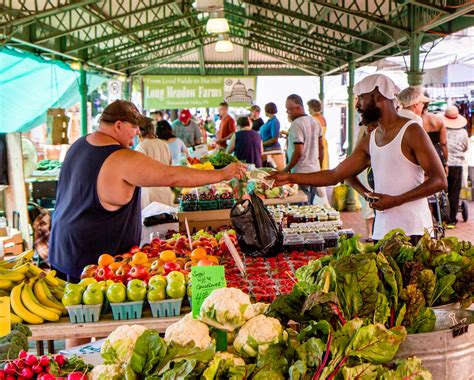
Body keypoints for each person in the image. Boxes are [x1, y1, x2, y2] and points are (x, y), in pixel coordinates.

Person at [49, 99, 246, 284]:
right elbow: (171, 176)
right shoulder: (121, 157)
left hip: (61, 250)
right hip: (94, 264)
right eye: (133, 127)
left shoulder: (78, 145)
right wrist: (222, 174)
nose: (136, 133)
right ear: (118, 125)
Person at [269, 74, 447, 243]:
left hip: (413, 230)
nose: (357, 105)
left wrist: (396, 200)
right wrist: (289, 177)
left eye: (361, 98)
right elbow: (337, 174)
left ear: (378, 97)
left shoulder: (411, 131)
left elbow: (439, 180)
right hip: (382, 232)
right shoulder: (371, 139)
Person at [283, 94, 325, 205]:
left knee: (300, 210)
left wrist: (286, 169)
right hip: (314, 171)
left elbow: (299, 151)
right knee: (309, 207)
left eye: (289, 110)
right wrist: (319, 167)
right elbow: (321, 148)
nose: (288, 113)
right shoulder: (315, 122)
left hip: (301, 173)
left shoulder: (296, 124)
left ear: (299, 107)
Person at [135, 117, 174, 207]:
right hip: (165, 190)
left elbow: (139, 173)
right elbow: (170, 166)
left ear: (140, 131)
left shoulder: (141, 147)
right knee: (167, 219)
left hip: (149, 193)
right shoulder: (164, 144)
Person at [443, 105, 469, 226]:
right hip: (457, 165)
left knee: (442, 192)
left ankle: (443, 215)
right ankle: (452, 219)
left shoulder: (442, 130)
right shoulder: (463, 132)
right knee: (454, 192)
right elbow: (465, 147)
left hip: (444, 164)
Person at [422, 97, 448, 172]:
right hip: (436, 154)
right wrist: (446, 162)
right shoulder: (438, 119)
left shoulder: (415, 120)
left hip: (421, 154)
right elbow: (443, 143)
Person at [259, 102, 285, 170]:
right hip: (266, 149)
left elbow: (274, 139)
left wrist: (261, 144)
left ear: (267, 110)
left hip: (272, 150)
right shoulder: (269, 121)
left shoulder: (275, 121)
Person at [307, 99, 329, 170]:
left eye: (309, 108)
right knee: (324, 166)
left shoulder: (313, 119)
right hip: (324, 143)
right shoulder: (322, 118)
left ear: (312, 108)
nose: (308, 110)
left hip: (316, 145)